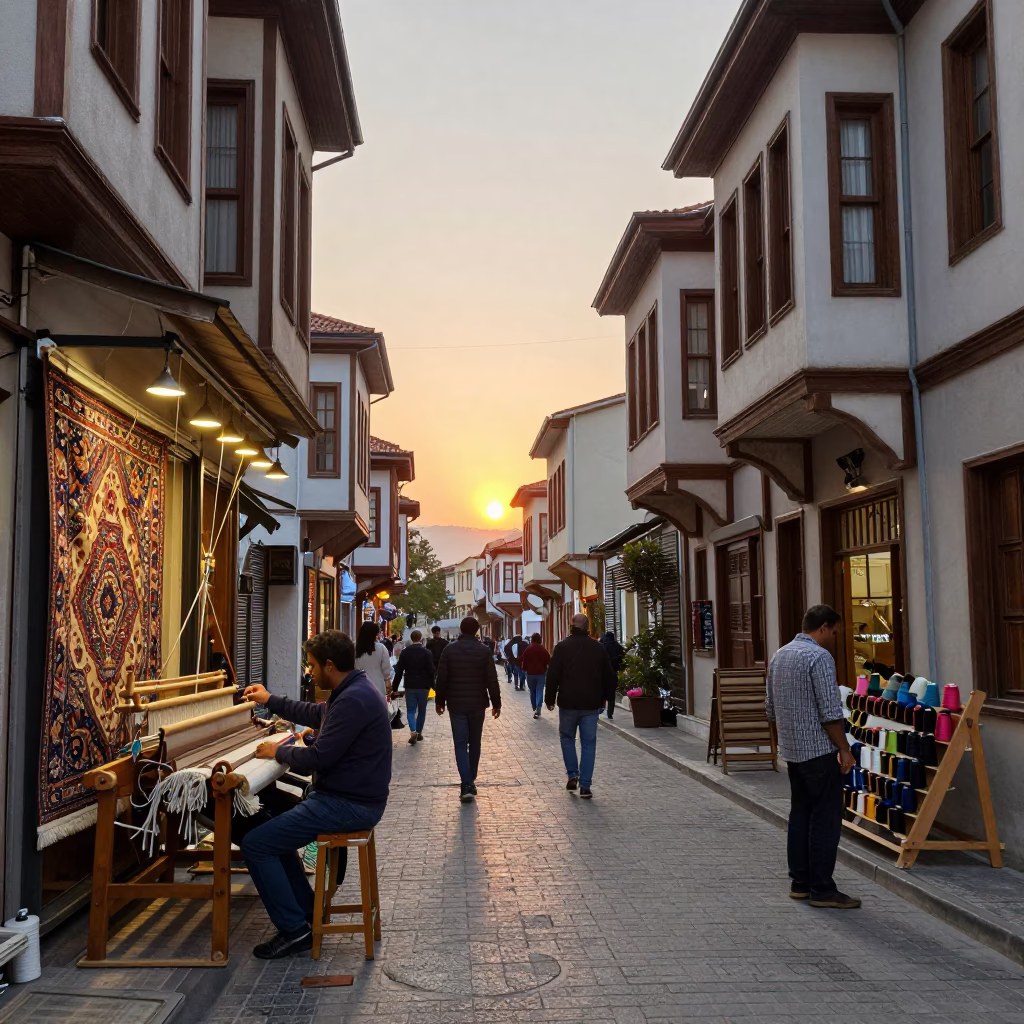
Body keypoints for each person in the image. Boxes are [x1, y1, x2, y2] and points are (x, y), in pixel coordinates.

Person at [240, 629, 392, 959]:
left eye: (311, 666)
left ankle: (295, 931)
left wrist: (276, 751)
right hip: (348, 798)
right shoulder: (351, 691)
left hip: (347, 804)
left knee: (256, 844)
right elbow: (314, 713)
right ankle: (307, 913)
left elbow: (318, 758)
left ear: (328, 664)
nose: (309, 672)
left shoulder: (353, 700)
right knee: (269, 830)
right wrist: (268, 700)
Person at [766, 604, 860, 910]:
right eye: (833, 631)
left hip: (793, 751)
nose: (834, 637)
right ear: (822, 628)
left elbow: (769, 708)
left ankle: (800, 882)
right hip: (819, 751)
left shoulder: (779, 655)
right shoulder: (819, 657)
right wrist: (844, 748)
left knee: (800, 814)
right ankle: (822, 888)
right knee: (825, 819)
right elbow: (830, 712)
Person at [545, 614, 616, 799]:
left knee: (567, 738)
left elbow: (552, 675)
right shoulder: (598, 648)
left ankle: (572, 774)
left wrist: (550, 698)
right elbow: (609, 676)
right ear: (588, 627)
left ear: (571, 626)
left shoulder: (561, 647)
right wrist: (607, 699)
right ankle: (585, 785)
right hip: (591, 703)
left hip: (568, 702)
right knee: (588, 743)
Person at [434, 617, 501, 803]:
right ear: (477, 630)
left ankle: (466, 783)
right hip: (478, 703)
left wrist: (439, 702)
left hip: (456, 703)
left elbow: (442, 678)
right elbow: (491, 679)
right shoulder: (484, 651)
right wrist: (497, 703)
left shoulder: (449, 650)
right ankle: (470, 778)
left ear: (462, 630)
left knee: (461, 743)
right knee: (475, 742)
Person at [393, 629, 435, 744]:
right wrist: (434, 686)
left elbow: (399, 671)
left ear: (411, 639)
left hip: (410, 684)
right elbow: (431, 671)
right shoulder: (427, 653)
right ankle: (419, 732)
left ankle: (413, 731)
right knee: (422, 710)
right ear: (420, 638)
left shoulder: (405, 652)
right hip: (423, 685)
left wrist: (394, 688)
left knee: (411, 710)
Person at [355, 621, 393, 701]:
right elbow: (386, 668)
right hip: (377, 684)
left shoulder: (354, 648)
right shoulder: (381, 648)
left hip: (358, 685)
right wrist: (388, 680)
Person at [520, 633, 551, 719]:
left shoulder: (528, 649)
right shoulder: (543, 650)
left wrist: (525, 668)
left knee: (532, 690)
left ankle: (534, 706)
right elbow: (548, 660)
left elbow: (524, 660)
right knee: (540, 690)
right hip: (541, 674)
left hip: (530, 674)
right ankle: (538, 708)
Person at [598, 631, 625, 720]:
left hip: (601, 674)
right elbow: (622, 659)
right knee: (611, 694)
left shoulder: (601, 646)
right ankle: (610, 713)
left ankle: (600, 708)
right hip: (613, 673)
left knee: (600, 692)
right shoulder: (618, 647)